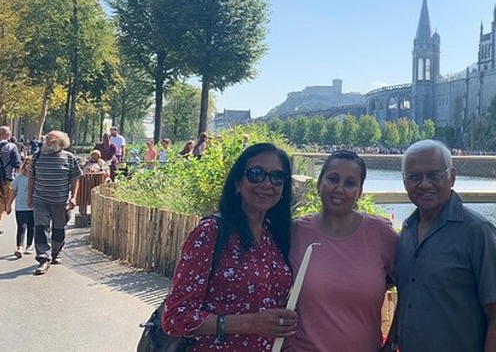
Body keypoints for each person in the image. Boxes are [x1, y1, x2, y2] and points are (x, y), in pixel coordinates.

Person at [162, 143, 297, 351]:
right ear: (237, 183)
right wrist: (250, 323)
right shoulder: (211, 233)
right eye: (256, 174)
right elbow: (175, 317)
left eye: (277, 176)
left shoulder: (275, 235)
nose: (267, 183)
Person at [390, 139, 496, 352]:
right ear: (404, 181)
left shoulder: (478, 232)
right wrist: (391, 344)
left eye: (434, 175)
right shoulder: (407, 231)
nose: (425, 184)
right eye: (415, 177)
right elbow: (408, 298)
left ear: (452, 177)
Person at [284, 150, 398, 352]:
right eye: (333, 179)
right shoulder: (295, 232)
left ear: (360, 192)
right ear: (319, 184)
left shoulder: (381, 234)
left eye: (350, 183)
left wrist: (393, 341)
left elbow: (412, 289)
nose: (339, 188)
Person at [29, 130, 82, 275]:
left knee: (59, 228)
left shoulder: (69, 158)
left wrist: (73, 197)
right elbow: (31, 178)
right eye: (47, 138)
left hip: (60, 200)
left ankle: (56, 252)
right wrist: (29, 197)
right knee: (40, 228)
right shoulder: (37, 156)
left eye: (51, 139)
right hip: (40, 199)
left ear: (60, 142)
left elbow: (75, 178)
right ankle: (43, 258)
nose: (47, 141)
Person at [0, 126, 23, 236]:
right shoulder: (11, 146)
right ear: (8, 134)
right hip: (5, 179)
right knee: (6, 201)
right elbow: (17, 164)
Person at [6, 156, 35, 257]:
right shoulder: (19, 178)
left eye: (31, 165)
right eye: (27, 164)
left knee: (32, 226)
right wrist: (8, 205)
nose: (29, 167)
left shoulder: (37, 178)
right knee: (21, 227)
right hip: (20, 206)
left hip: (33, 207)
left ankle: (29, 245)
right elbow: (13, 192)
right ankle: (19, 247)